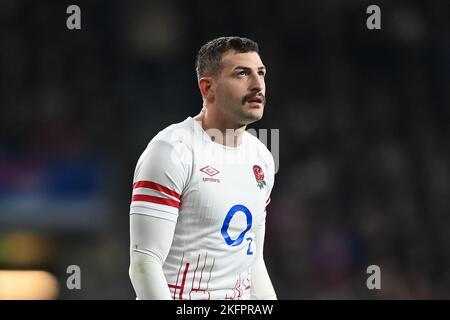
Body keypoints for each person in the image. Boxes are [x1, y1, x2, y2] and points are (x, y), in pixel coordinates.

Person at [129, 36, 277, 300]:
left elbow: (253, 262)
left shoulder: (262, 158)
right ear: (208, 88)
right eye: (242, 74)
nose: (258, 85)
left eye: (261, 73)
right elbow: (144, 265)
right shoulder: (172, 151)